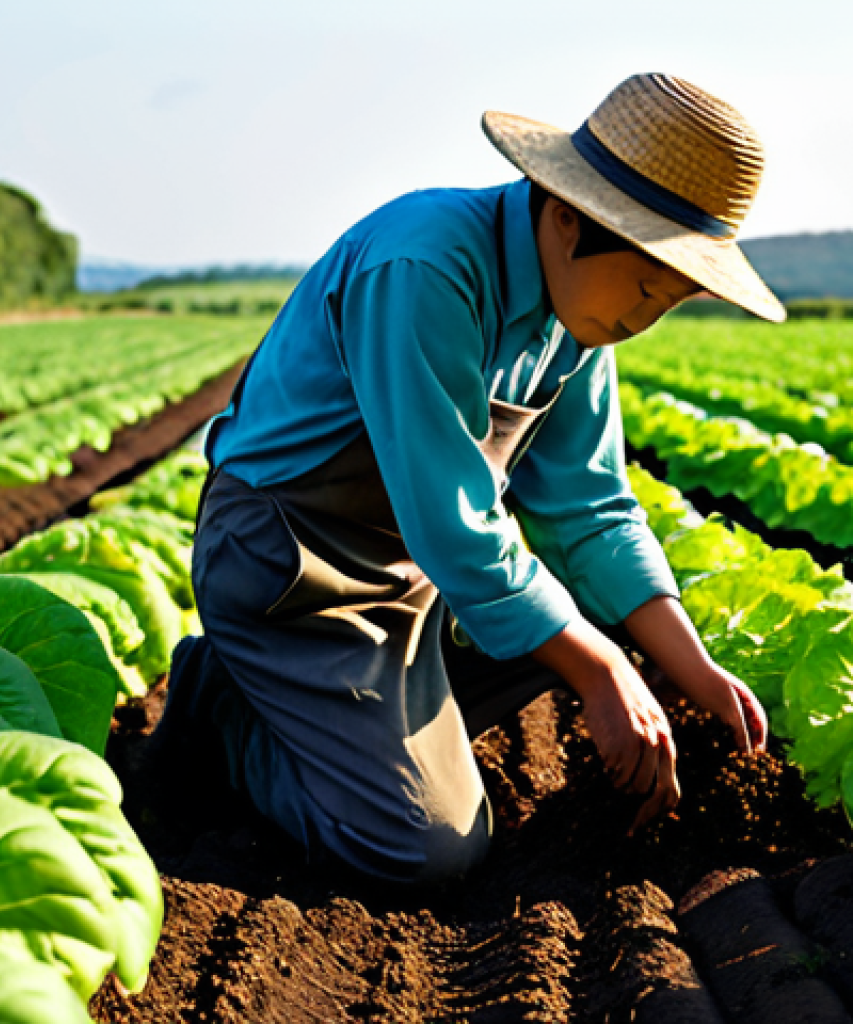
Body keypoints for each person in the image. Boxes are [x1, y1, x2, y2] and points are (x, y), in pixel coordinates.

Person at [151, 72, 781, 885]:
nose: (645, 317)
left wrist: (691, 669)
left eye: (674, 299)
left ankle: (363, 723)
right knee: (423, 849)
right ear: (568, 217)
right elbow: (453, 522)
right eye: (647, 283)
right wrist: (598, 669)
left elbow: (589, 508)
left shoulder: (578, 321)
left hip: (415, 577)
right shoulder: (426, 265)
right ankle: (232, 722)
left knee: (606, 604)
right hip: (292, 569)